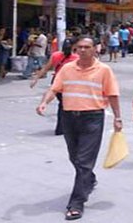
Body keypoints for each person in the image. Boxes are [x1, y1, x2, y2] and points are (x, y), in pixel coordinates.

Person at [36, 36, 122, 221]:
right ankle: (88, 179)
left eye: (87, 47)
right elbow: (55, 88)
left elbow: (112, 94)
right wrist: (44, 102)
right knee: (74, 157)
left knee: (83, 161)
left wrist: (118, 117)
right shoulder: (67, 68)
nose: (82, 50)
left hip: (92, 118)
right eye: (79, 47)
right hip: (69, 118)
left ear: (95, 49)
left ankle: (76, 203)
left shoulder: (104, 70)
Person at [30, 38, 79, 136]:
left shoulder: (55, 55)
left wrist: (36, 78)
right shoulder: (77, 58)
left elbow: (45, 68)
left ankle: (60, 128)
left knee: (62, 105)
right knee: (68, 106)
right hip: (70, 84)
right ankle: (67, 127)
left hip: (56, 81)